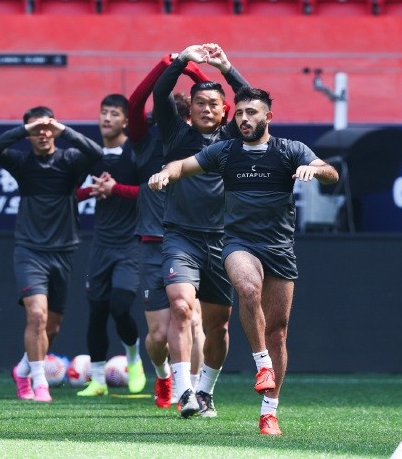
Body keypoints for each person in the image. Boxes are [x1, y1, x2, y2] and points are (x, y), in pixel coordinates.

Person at [148, 86, 339, 435]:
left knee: (278, 331)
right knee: (248, 289)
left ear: (268, 117)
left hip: (279, 248)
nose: (244, 119)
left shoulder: (290, 150)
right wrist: (166, 173)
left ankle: (269, 413)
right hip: (238, 243)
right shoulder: (225, 151)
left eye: (251, 112)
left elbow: (331, 172)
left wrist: (315, 171)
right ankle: (261, 364)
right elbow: (182, 165)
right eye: (239, 113)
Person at [152, 43, 248, 418]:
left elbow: (252, 100)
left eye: (213, 105)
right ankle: (184, 391)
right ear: (189, 110)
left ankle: (205, 391)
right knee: (180, 306)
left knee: (218, 325)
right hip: (181, 238)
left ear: (225, 111)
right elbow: (161, 90)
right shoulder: (176, 135)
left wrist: (226, 67)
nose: (207, 109)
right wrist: (182, 60)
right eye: (200, 104)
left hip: (224, 242)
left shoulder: (233, 139)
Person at [0, 106, 103, 403]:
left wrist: (63, 129)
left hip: (63, 252)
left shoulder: (69, 160)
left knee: (52, 326)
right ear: (28, 134)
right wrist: (26, 128)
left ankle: (22, 369)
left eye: (46, 128)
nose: (42, 133)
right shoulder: (22, 163)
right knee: (36, 315)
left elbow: (95, 152)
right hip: (30, 250)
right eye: (35, 129)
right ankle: (39, 383)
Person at [127, 54, 210, 409]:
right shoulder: (146, 143)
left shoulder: (201, 143)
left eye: (185, 115)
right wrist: (172, 64)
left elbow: (215, 100)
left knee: (192, 318)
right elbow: (135, 103)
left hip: (192, 241)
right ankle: (163, 375)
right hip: (152, 244)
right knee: (158, 335)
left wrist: (194, 69)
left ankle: (191, 391)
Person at [75, 94, 146, 397]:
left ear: (126, 120)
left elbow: (149, 192)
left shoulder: (137, 153)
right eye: (103, 112)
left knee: (120, 306)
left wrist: (115, 189)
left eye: (114, 113)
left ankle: (134, 358)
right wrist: (92, 191)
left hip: (130, 244)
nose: (107, 118)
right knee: (97, 312)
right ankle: (98, 381)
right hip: (101, 245)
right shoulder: (91, 155)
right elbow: (69, 195)